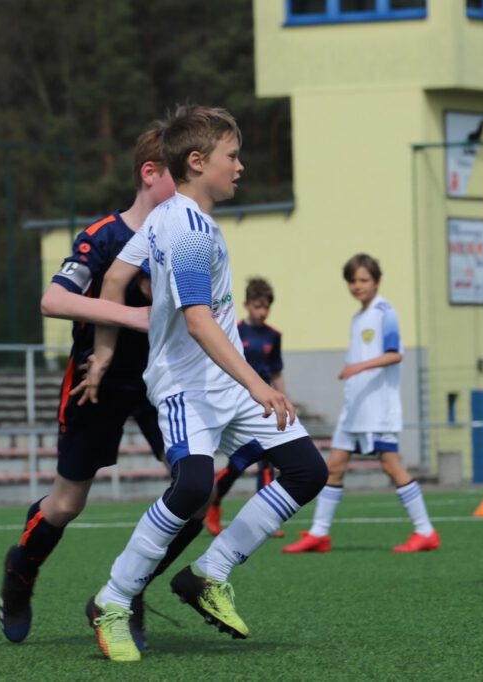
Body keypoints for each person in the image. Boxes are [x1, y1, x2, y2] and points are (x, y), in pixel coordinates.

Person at [80, 104, 327, 662]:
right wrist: (259, 383)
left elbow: (117, 277)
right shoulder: (189, 228)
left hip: (226, 384)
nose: (240, 166)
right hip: (188, 387)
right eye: (231, 156)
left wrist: (105, 350)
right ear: (197, 161)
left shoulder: (167, 214)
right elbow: (196, 320)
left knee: (307, 469)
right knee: (192, 488)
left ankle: (208, 574)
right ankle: (113, 601)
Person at [0, 124, 185, 649]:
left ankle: (124, 591)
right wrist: (132, 317)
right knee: (65, 506)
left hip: (161, 382)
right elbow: (53, 302)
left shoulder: (186, 233)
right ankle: (20, 573)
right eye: (181, 174)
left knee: (194, 492)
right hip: (94, 384)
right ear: (150, 174)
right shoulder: (101, 236)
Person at [282, 253, 439, 554]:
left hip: (377, 410)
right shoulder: (359, 316)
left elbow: (395, 354)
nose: (357, 286)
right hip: (355, 409)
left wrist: (356, 367)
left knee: (391, 465)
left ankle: (425, 531)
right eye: (353, 281)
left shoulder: (384, 312)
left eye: (364, 280)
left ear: (377, 281)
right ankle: (319, 533)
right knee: (334, 466)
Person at [205, 277, 286, 537]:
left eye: (266, 307)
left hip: (265, 404)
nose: (261, 312)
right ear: (246, 305)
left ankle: (266, 517)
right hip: (239, 400)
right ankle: (214, 502)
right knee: (241, 461)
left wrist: (283, 399)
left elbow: (276, 373)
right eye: (257, 306)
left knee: (267, 460)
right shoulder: (236, 331)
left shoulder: (274, 336)